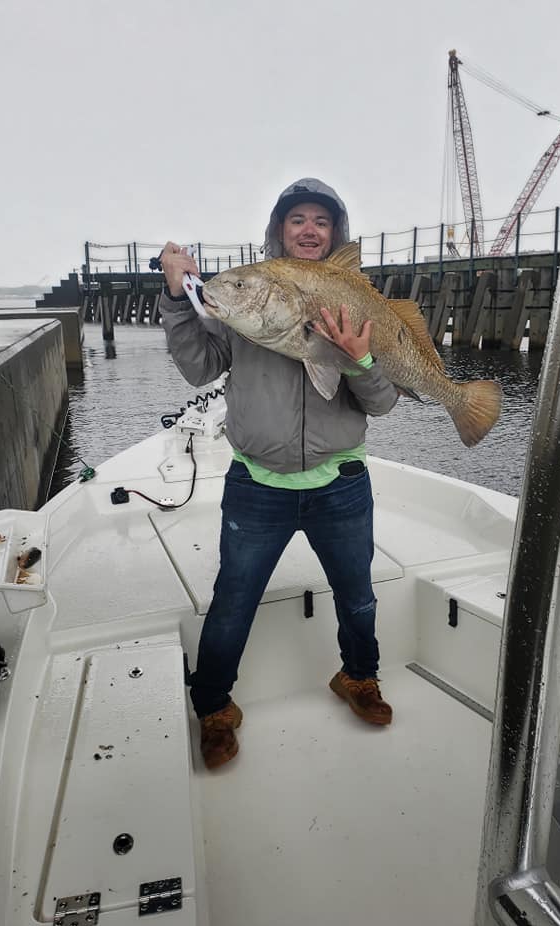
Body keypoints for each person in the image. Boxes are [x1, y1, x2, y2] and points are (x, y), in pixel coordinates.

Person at [159, 177, 399, 770]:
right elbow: (198, 369)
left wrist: (359, 358)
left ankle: (359, 677)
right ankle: (214, 707)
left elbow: (383, 401)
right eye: (298, 220)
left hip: (340, 481)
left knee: (359, 598)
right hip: (257, 485)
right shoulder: (253, 296)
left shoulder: (354, 300)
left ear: (335, 233)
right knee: (233, 603)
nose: (310, 229)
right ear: (280, 231)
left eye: (321, 220)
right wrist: (174, 298)